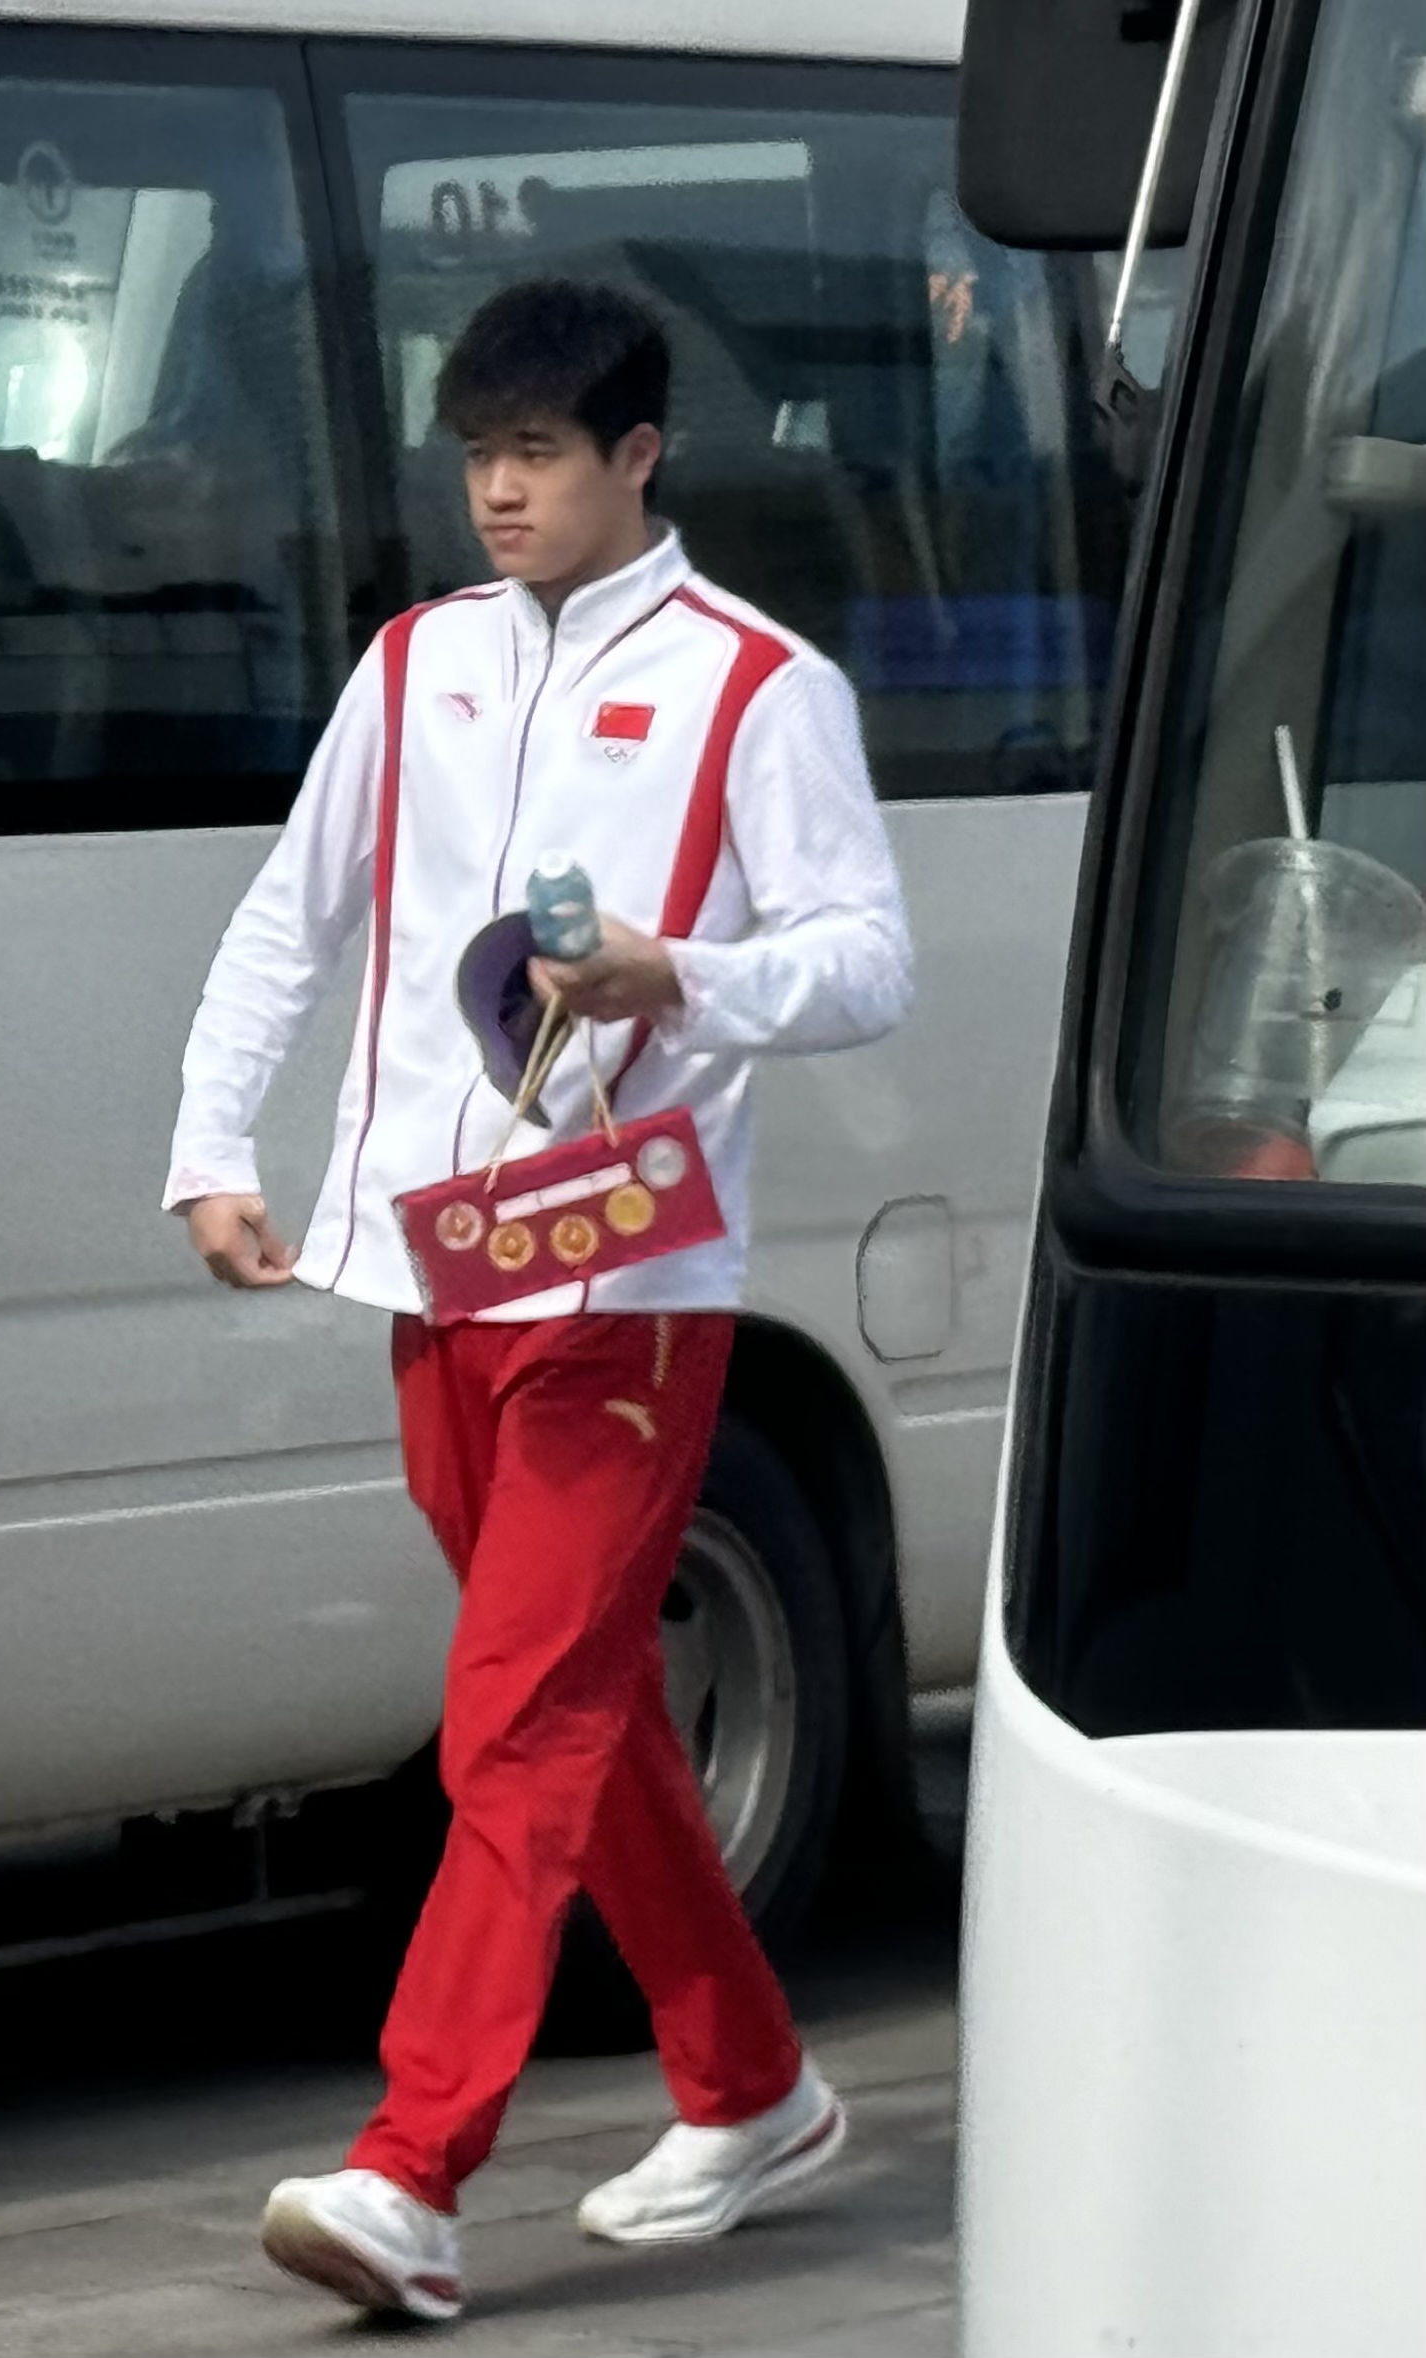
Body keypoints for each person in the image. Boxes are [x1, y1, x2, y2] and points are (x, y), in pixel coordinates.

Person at [162, 279, 912, 2324]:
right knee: (581, 1708)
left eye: (537, 455)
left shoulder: (758, 686)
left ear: (635, 457)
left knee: (514, 1707)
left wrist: (687, 975)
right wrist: (211, 1149)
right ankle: (750, 2087)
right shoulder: (415, 663)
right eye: (477, 456)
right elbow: (289, 919)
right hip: (436, 1266)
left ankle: (413, 2166)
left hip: (630, 1283)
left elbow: (869, 962)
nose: (496, 492)